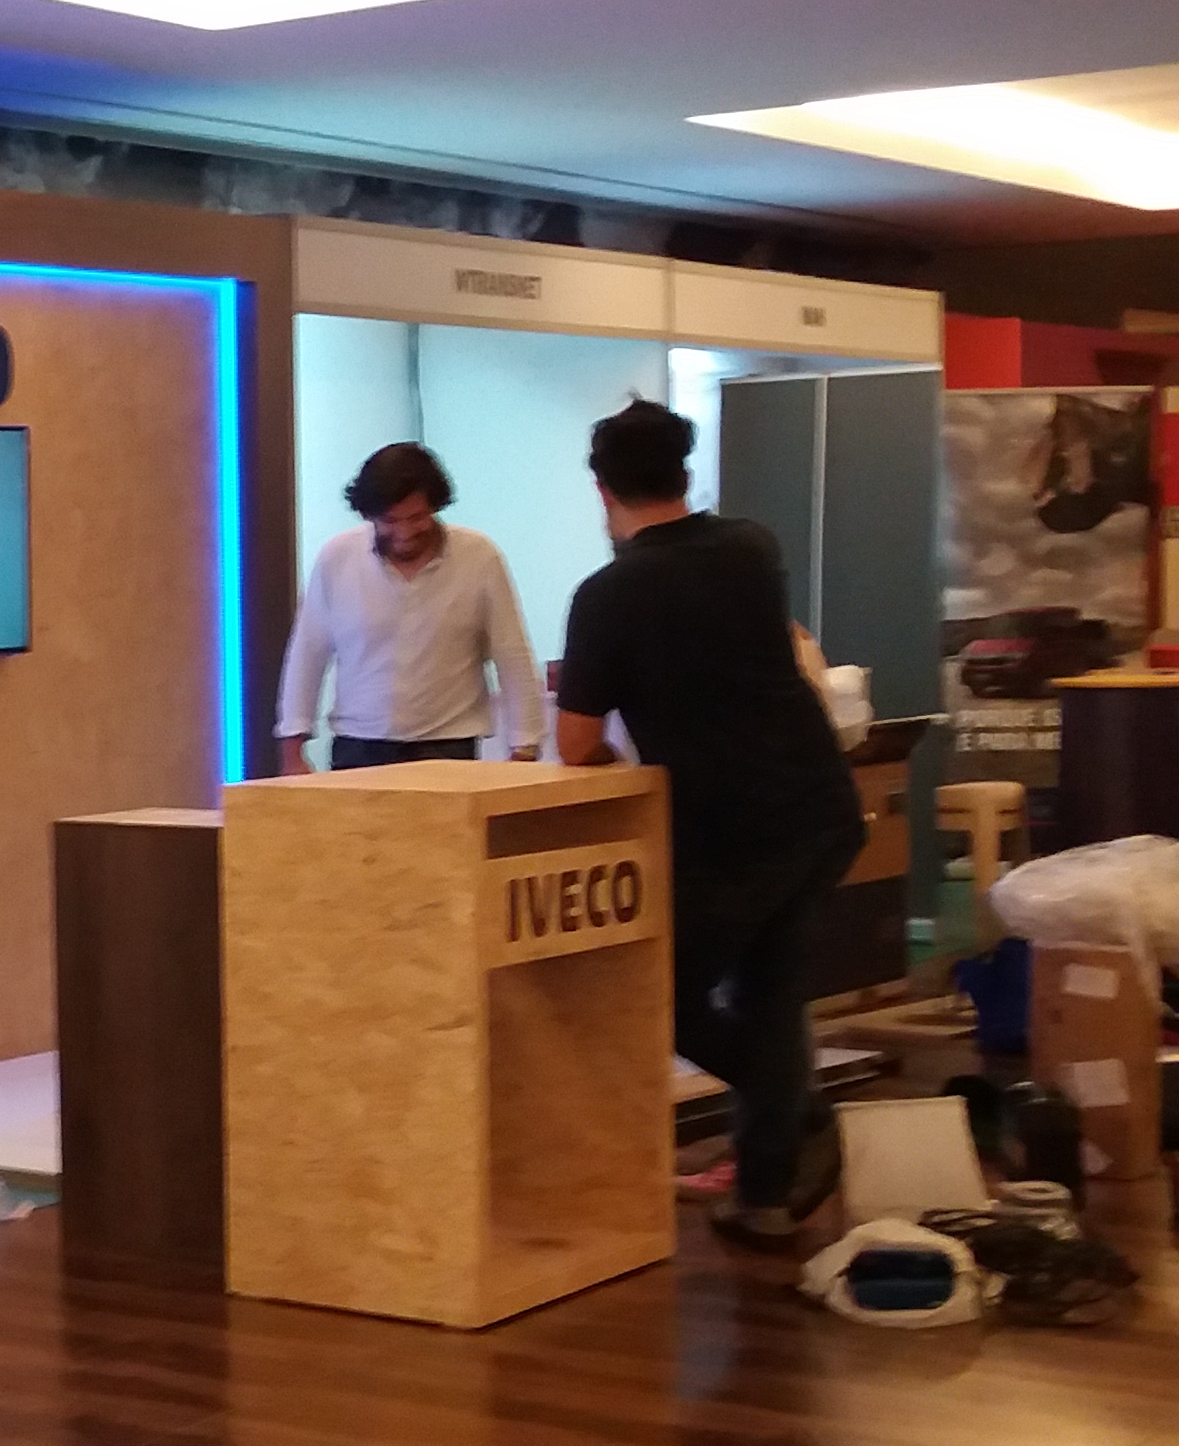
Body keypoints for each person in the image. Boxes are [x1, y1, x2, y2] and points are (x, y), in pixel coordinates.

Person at [553, 397, 862, 1246]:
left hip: (728, 833)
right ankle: (766, 1194)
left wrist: (630, 765)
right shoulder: (751, 548)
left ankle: (795, 1114)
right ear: (685, 473)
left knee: (662, 995)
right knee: (772, 995)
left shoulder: (607, 595)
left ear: (602, 489)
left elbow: (574, 742)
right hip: (818, 807)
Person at [275, 441, 544, 775]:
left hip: (449, 746)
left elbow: (512, 653)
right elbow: (307, 654)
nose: (404, 533)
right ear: (369, 515)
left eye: (416, 518)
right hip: (358, 745)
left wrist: (525, 746)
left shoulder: (479, 557)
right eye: (390, 521)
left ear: (435, 506)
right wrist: (293, 747)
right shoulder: (337, 558)